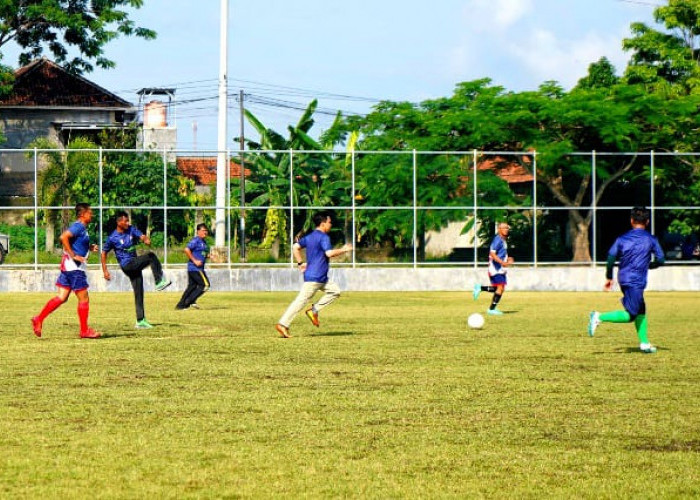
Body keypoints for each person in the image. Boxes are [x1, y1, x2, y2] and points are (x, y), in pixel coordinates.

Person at [588, 206, 665, 354]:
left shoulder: (622, 238)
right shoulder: (651, 239)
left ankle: (644, 343)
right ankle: (598, 316)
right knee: (631, 315)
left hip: (624, 277)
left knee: (641, 309)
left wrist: (609, 277)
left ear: (631, 221)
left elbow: (610, 258)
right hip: (635, 281)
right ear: (647, 221)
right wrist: (650, 265)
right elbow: (661, 260)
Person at [275, 211, 353, 338]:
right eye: (329, 222)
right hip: (315, 277)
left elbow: (295, 247)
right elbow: (329, 253)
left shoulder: (310, 236)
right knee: (300, 301)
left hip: (321, 278)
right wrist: (344, 249)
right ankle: (283, 324)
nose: (330, 224)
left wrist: (300, 263)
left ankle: (314, 310)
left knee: (335, 291)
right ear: (323, 224)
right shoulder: (323, 237)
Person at [31, 203, 100, 338]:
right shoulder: (79, 226)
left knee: (62, 297)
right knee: (84, 298)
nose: (92, 214)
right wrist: (73, 255)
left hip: (68, 267)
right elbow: (64, 237)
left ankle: (38, 319)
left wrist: (89, 247)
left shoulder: (82, 228)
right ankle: (84, 330)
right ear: (82, 214)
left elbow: (76, 242)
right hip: (74, 268)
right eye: (89, 212)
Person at [101, 211, 172, 329]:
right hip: (127, 265)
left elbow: (141, 235)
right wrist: (105, 271)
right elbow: (103, 253)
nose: (128, 223)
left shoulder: (130, 229)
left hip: (134, 263)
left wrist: (145, 239)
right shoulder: (112, 237)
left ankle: (140, 321)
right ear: (119, 222)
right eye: (125, 221)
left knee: (139, 292)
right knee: (150, 256)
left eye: (128, 221)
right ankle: (159, 281)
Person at [473, 222, 514, 315]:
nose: (506, 229)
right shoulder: (497, 240)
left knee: (500, 288)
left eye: (507, 228)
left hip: (500, 267)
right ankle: (491, 309)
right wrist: (502, 262)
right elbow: (492, 254)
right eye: (504, 228)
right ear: (499, 229)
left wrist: (508, 258)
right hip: (495, 267)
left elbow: (501, 253)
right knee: (500, 287)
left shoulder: (503, 240)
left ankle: (480, 288)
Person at [175, 223, 210, 310]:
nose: (205, 232)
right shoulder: (196, 240)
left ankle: (180, 305)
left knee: (192, 286)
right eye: (203, 230)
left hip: (194, 268)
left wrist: (207, 255)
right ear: (198, 231)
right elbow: (186, 249)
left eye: (206, 230)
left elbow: (201, 253)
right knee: (205, 285)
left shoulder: (204, 242)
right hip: (196, 268)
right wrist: (194, 260)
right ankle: (189, 301)